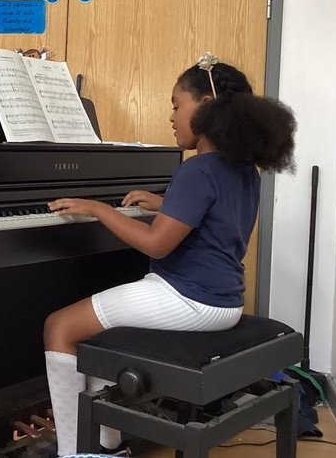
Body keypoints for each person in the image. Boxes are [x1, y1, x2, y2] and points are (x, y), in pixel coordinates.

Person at [42, 53, 297, 457]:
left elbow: (157, 245)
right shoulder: (244, 169)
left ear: (206, 106)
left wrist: (98, 209)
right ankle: (106, 443)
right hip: (224, 301)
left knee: (60, 327)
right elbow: (216, 217)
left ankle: (77, 453)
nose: (172, 116)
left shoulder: (197, 170)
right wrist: (166, 204)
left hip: (188, 300)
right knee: (94, 335)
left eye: (177, 104)